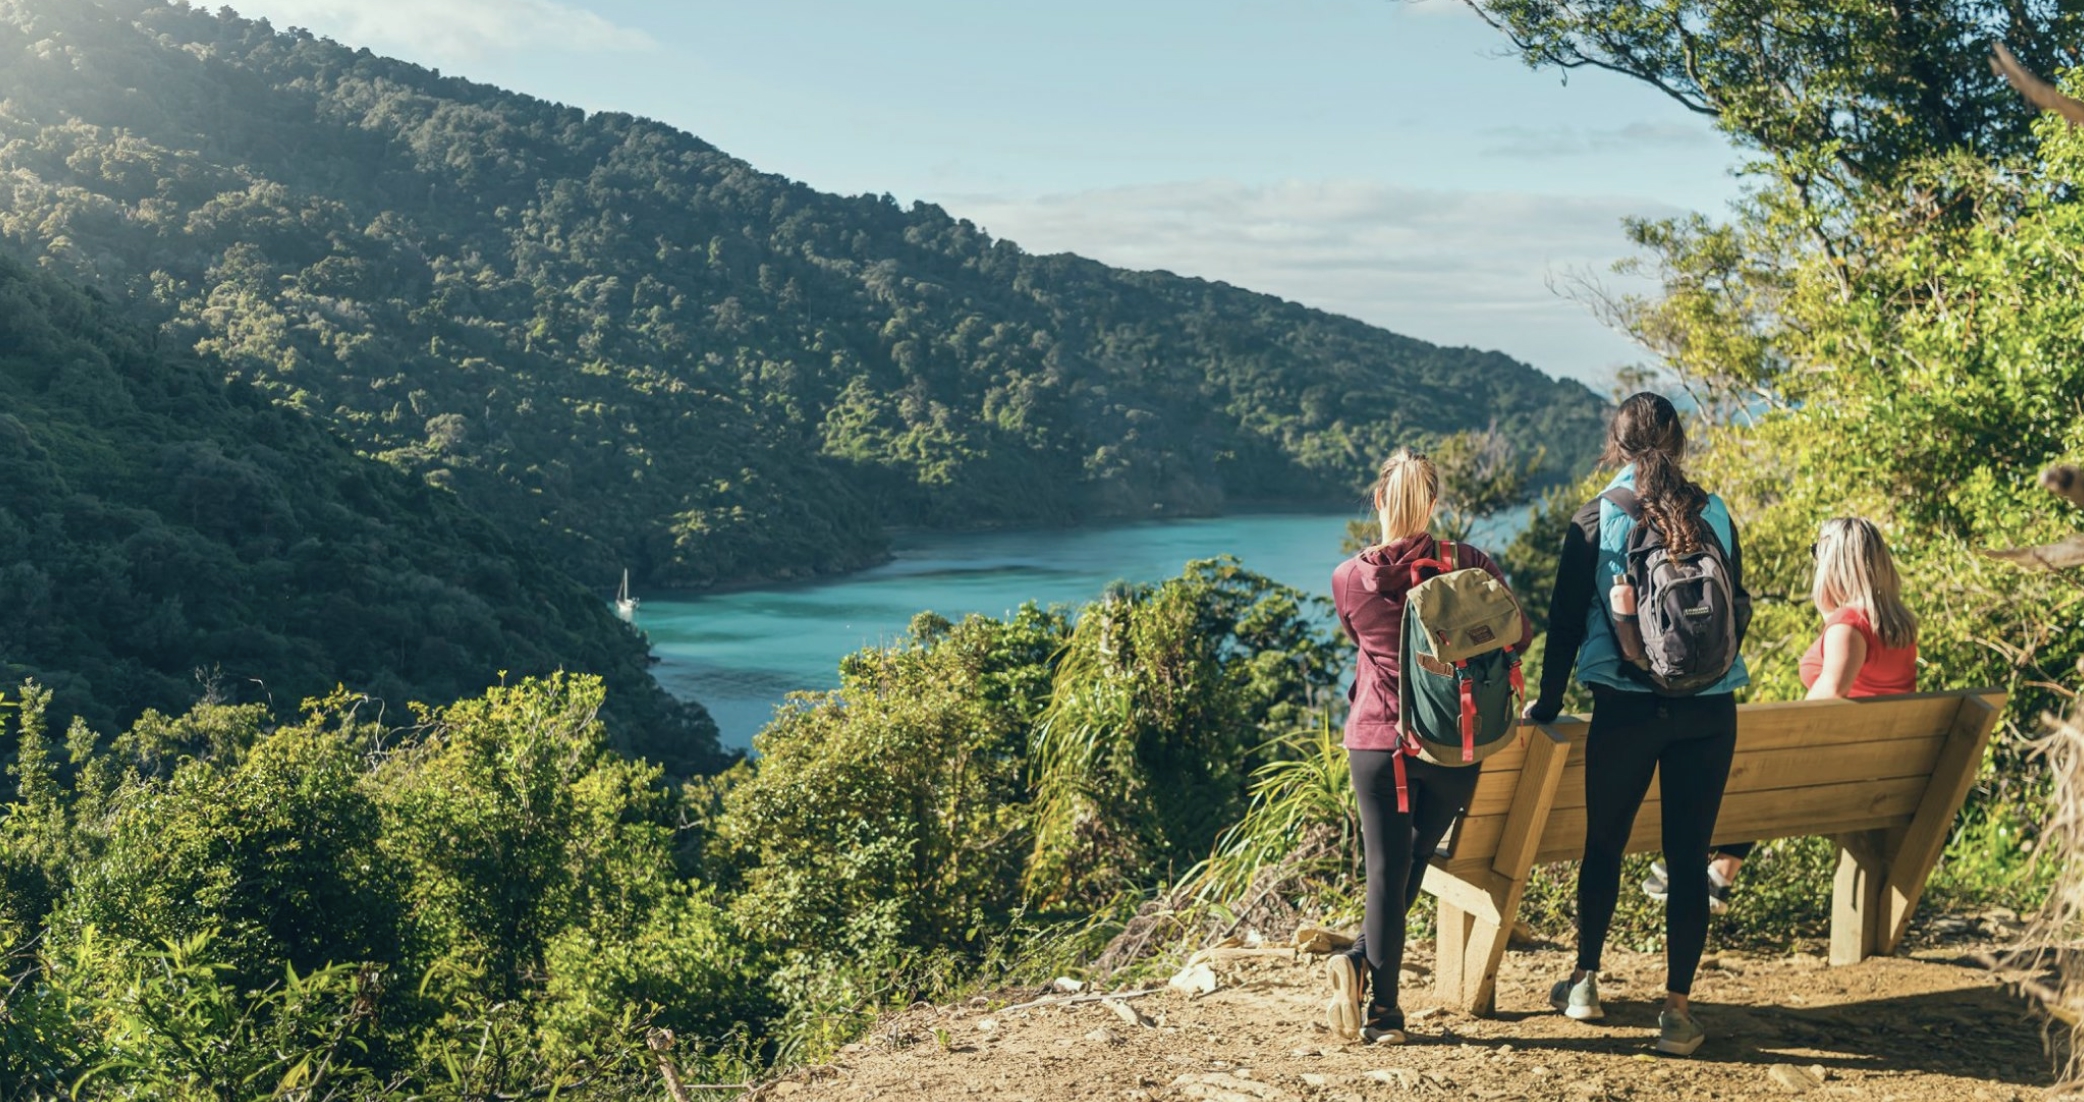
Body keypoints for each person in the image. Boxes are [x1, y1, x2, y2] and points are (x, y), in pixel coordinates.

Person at [1523, 392, 1752, 1057]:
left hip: (1625, 706)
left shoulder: (1597, 517)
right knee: (1687, 858)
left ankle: (1586, 983)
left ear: (1615, 445)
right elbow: (1737, 606)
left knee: (1605, 845)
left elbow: (1564, 625)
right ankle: (1677, 1013)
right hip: (1711, 709)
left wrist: (1545, 700)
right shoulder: (1715, 512)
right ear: (1678, 443)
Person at [1325, 447, 1523, 1045]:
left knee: (1387, 872)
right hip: (1453, 747)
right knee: (1409, 864)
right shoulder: (1472, 564)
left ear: (1379, 500)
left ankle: (1380, 1006)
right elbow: (1519, 636)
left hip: (1381, 745)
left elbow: (1361, 641)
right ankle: (1362, 968)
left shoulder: (1350, 578)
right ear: (1435, 503)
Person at [1641, 516, 1918, 912]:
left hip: (1834, 775)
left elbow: (1824, 704)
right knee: (1764, 767)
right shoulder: (1898, 626)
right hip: (1879, 773)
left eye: (1817, 553)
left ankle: (1700, 862)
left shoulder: (1849, 626)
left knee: (1757, 763)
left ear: (1836, 562)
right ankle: (1718, 870)